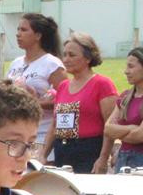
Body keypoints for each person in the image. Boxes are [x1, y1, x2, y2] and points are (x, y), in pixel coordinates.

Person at [39, 33, 118, 173]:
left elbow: (110, 125)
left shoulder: (102, 84)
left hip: (89, 150)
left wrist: (103, 158)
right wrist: (43, 154)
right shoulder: (63, 86)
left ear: (87, 58)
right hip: (62, 150)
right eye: (65, 55)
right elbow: (54, 124)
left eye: (72, 55)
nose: (66, 59)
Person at [6, 13, 66, 149]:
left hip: (42, 133)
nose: (18, 34)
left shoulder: (51, 64)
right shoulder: (16, 63)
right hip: (16, 133)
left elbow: (64, 102)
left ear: (38, 36)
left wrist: (34, 103)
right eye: (18, 29)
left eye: (24, 30)